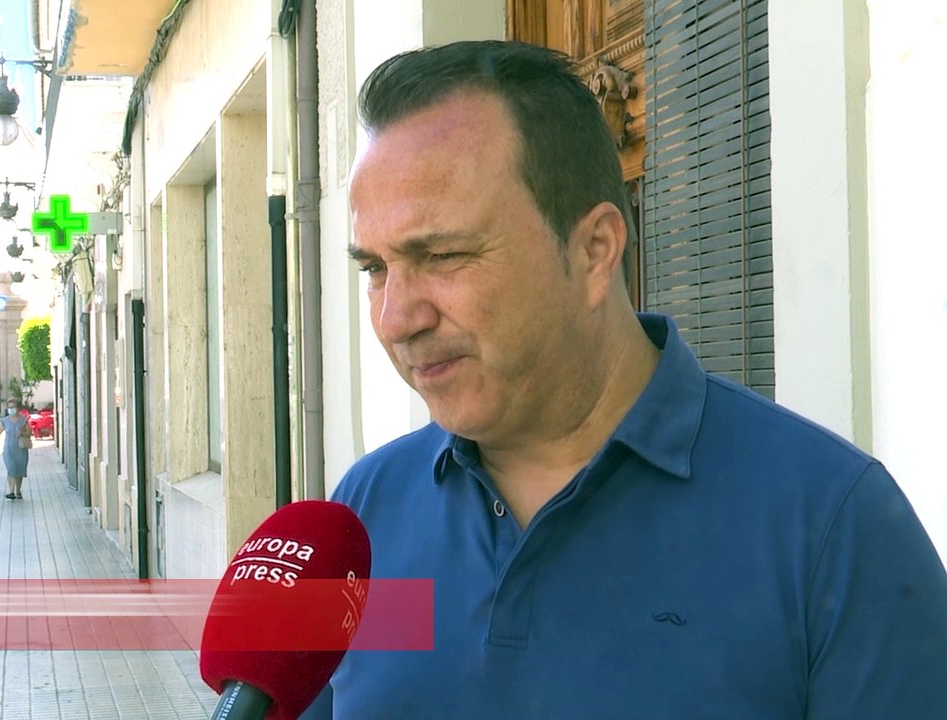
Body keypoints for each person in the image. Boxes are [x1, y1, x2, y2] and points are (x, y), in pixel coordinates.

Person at [304, 40, 947, 718]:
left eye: (442, 255)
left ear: (594, 251)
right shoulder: (361, 516)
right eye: (373, 268)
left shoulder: (830, 528)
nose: (396, 318)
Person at [0, 398, 31, 500]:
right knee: (11, 469)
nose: (11, 409)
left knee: (19, 470)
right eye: (9, 407)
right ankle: (11, 491)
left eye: (13, 407)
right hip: (8, 449)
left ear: (17, 408)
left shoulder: (23, 420)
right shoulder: (5, 420)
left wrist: (22, 432)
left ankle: (18, 491)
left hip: (20, 450)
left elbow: (29, 432)